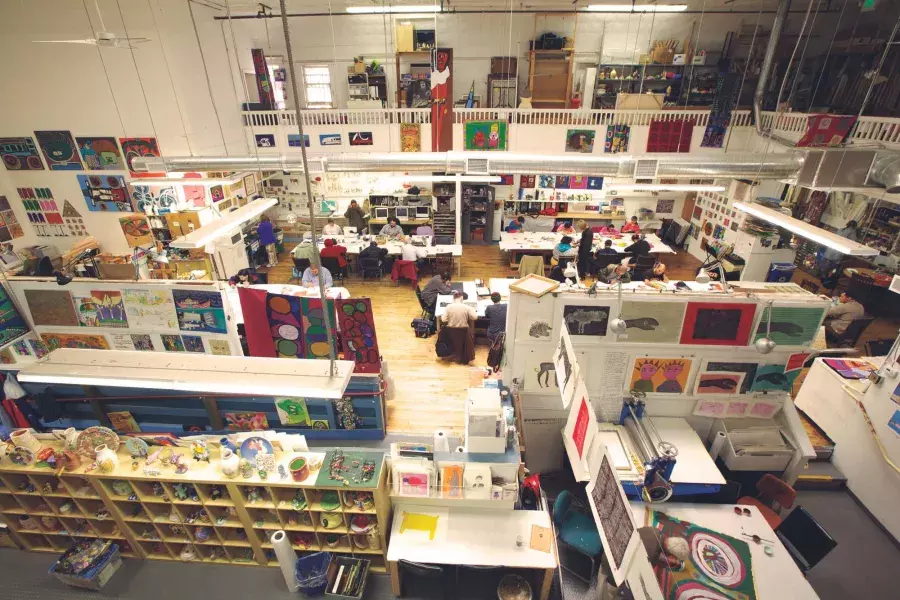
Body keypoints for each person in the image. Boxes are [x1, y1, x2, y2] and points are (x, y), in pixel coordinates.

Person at [438, 291, 476, 364]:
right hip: (464, 332)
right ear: (462, 298)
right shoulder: (467, 307)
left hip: (451, 332)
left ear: (453, 298)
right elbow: (475, 317)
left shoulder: (448, 307)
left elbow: (443, 319)